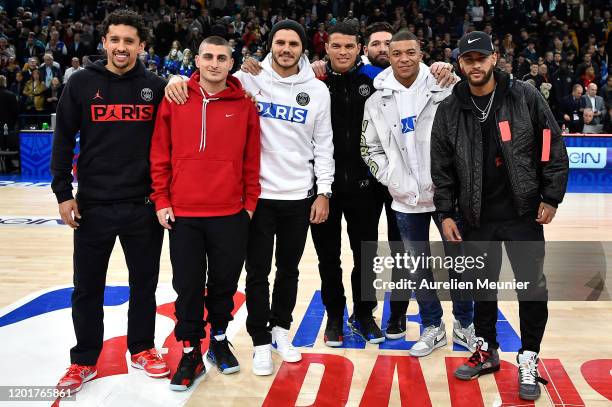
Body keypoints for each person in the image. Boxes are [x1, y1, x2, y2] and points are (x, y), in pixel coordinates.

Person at [165, 19, 334, 376]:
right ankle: (258, 341)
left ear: (304, 49)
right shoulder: (248, 80)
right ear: (270, 45)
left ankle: (281, 332)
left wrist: (324, 191)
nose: (286, 49)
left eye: (293, 44)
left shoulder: (317, 90)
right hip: (258, 197)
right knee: (256, 273)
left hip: (297, 195)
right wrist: (176, 79)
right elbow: (207, 82)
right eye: (280, 42)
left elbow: (324, 146)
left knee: (289, 269)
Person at [430, 31, 569, 401]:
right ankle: (487, 350)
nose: (475, 65)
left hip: (522, 213)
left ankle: (529, 356)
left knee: (531, 288)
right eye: (468, 59)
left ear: (494, 58)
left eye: (481, 58)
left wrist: (551, 196)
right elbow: (441, 166)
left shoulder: (523, 95)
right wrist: (445, 212)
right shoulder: (449, 109)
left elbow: (549, 143)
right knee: (481, 288)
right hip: (475, 217)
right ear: (459, 64)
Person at [51, 10, 168, 394]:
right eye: (114, 39)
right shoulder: (82, 83)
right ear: (104, 42)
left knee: (145, 285)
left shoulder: (157, 86)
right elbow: (63, 138)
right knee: (86, 288)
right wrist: (63, 193)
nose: (121, 47)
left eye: (129, 41)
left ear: (141, 46)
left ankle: (142, 348)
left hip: (143, 205)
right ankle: (83, 360)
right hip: (93, 205)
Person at [150, 35, 261, 390]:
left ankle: (219, 340)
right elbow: (160, 154)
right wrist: (162, 199)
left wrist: (249, 205)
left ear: (232, 63)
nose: (214, 63)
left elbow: (252, 160)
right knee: (187, 286)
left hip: (230, 212)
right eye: (208, 57)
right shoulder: (176, 97)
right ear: (196, 60)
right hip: (184, 212)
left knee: (225, 285)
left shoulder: (244, 103)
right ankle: (190, 352)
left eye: (222, 58)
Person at [361, 30, 476, 357]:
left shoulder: (444, 86)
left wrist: (454, 77)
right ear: (391, 56)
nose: (404, 59)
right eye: (397, 53)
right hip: (404, 199)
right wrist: (391, 179)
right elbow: (369, 148)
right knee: (418, 267)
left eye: (410, 52)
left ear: (420, 52)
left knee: (461, 264)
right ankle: (432, 326)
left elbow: (472, 116)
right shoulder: (376, 98)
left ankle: (465, 325)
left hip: (448, 197)